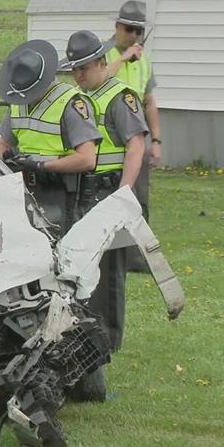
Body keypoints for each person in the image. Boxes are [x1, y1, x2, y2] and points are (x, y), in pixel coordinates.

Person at [62, 30, 148, 399]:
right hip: (80, 195)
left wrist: (125, 193)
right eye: (74, 70)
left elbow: (136, 145)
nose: (78, 75)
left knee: (106, 286)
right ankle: (80, 372)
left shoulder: (119, 97)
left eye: (83, 68)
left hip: (108, 193)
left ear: (100, 63)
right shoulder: (80, 98)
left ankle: (97, 375)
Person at [0, 39, 102, 234]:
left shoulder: (71, 104)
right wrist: (7, 157)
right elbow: (3, 142)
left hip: (61, 193)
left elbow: (87, 159)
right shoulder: (19, 99)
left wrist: (41, 166)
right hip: (24, 190)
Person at [105, 0, 161, 271]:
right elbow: (98, 81)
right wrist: (122, 59)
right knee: (112, 195)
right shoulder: (104, 54)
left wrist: (157, 141)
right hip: (108, 139)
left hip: (136, 137)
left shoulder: (145, 61)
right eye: (129, 29)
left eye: (138, 31)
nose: (134, 36)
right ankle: (111, 253)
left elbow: (150, 101)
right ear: (117, 26)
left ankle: (138, 258)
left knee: (139, 198)